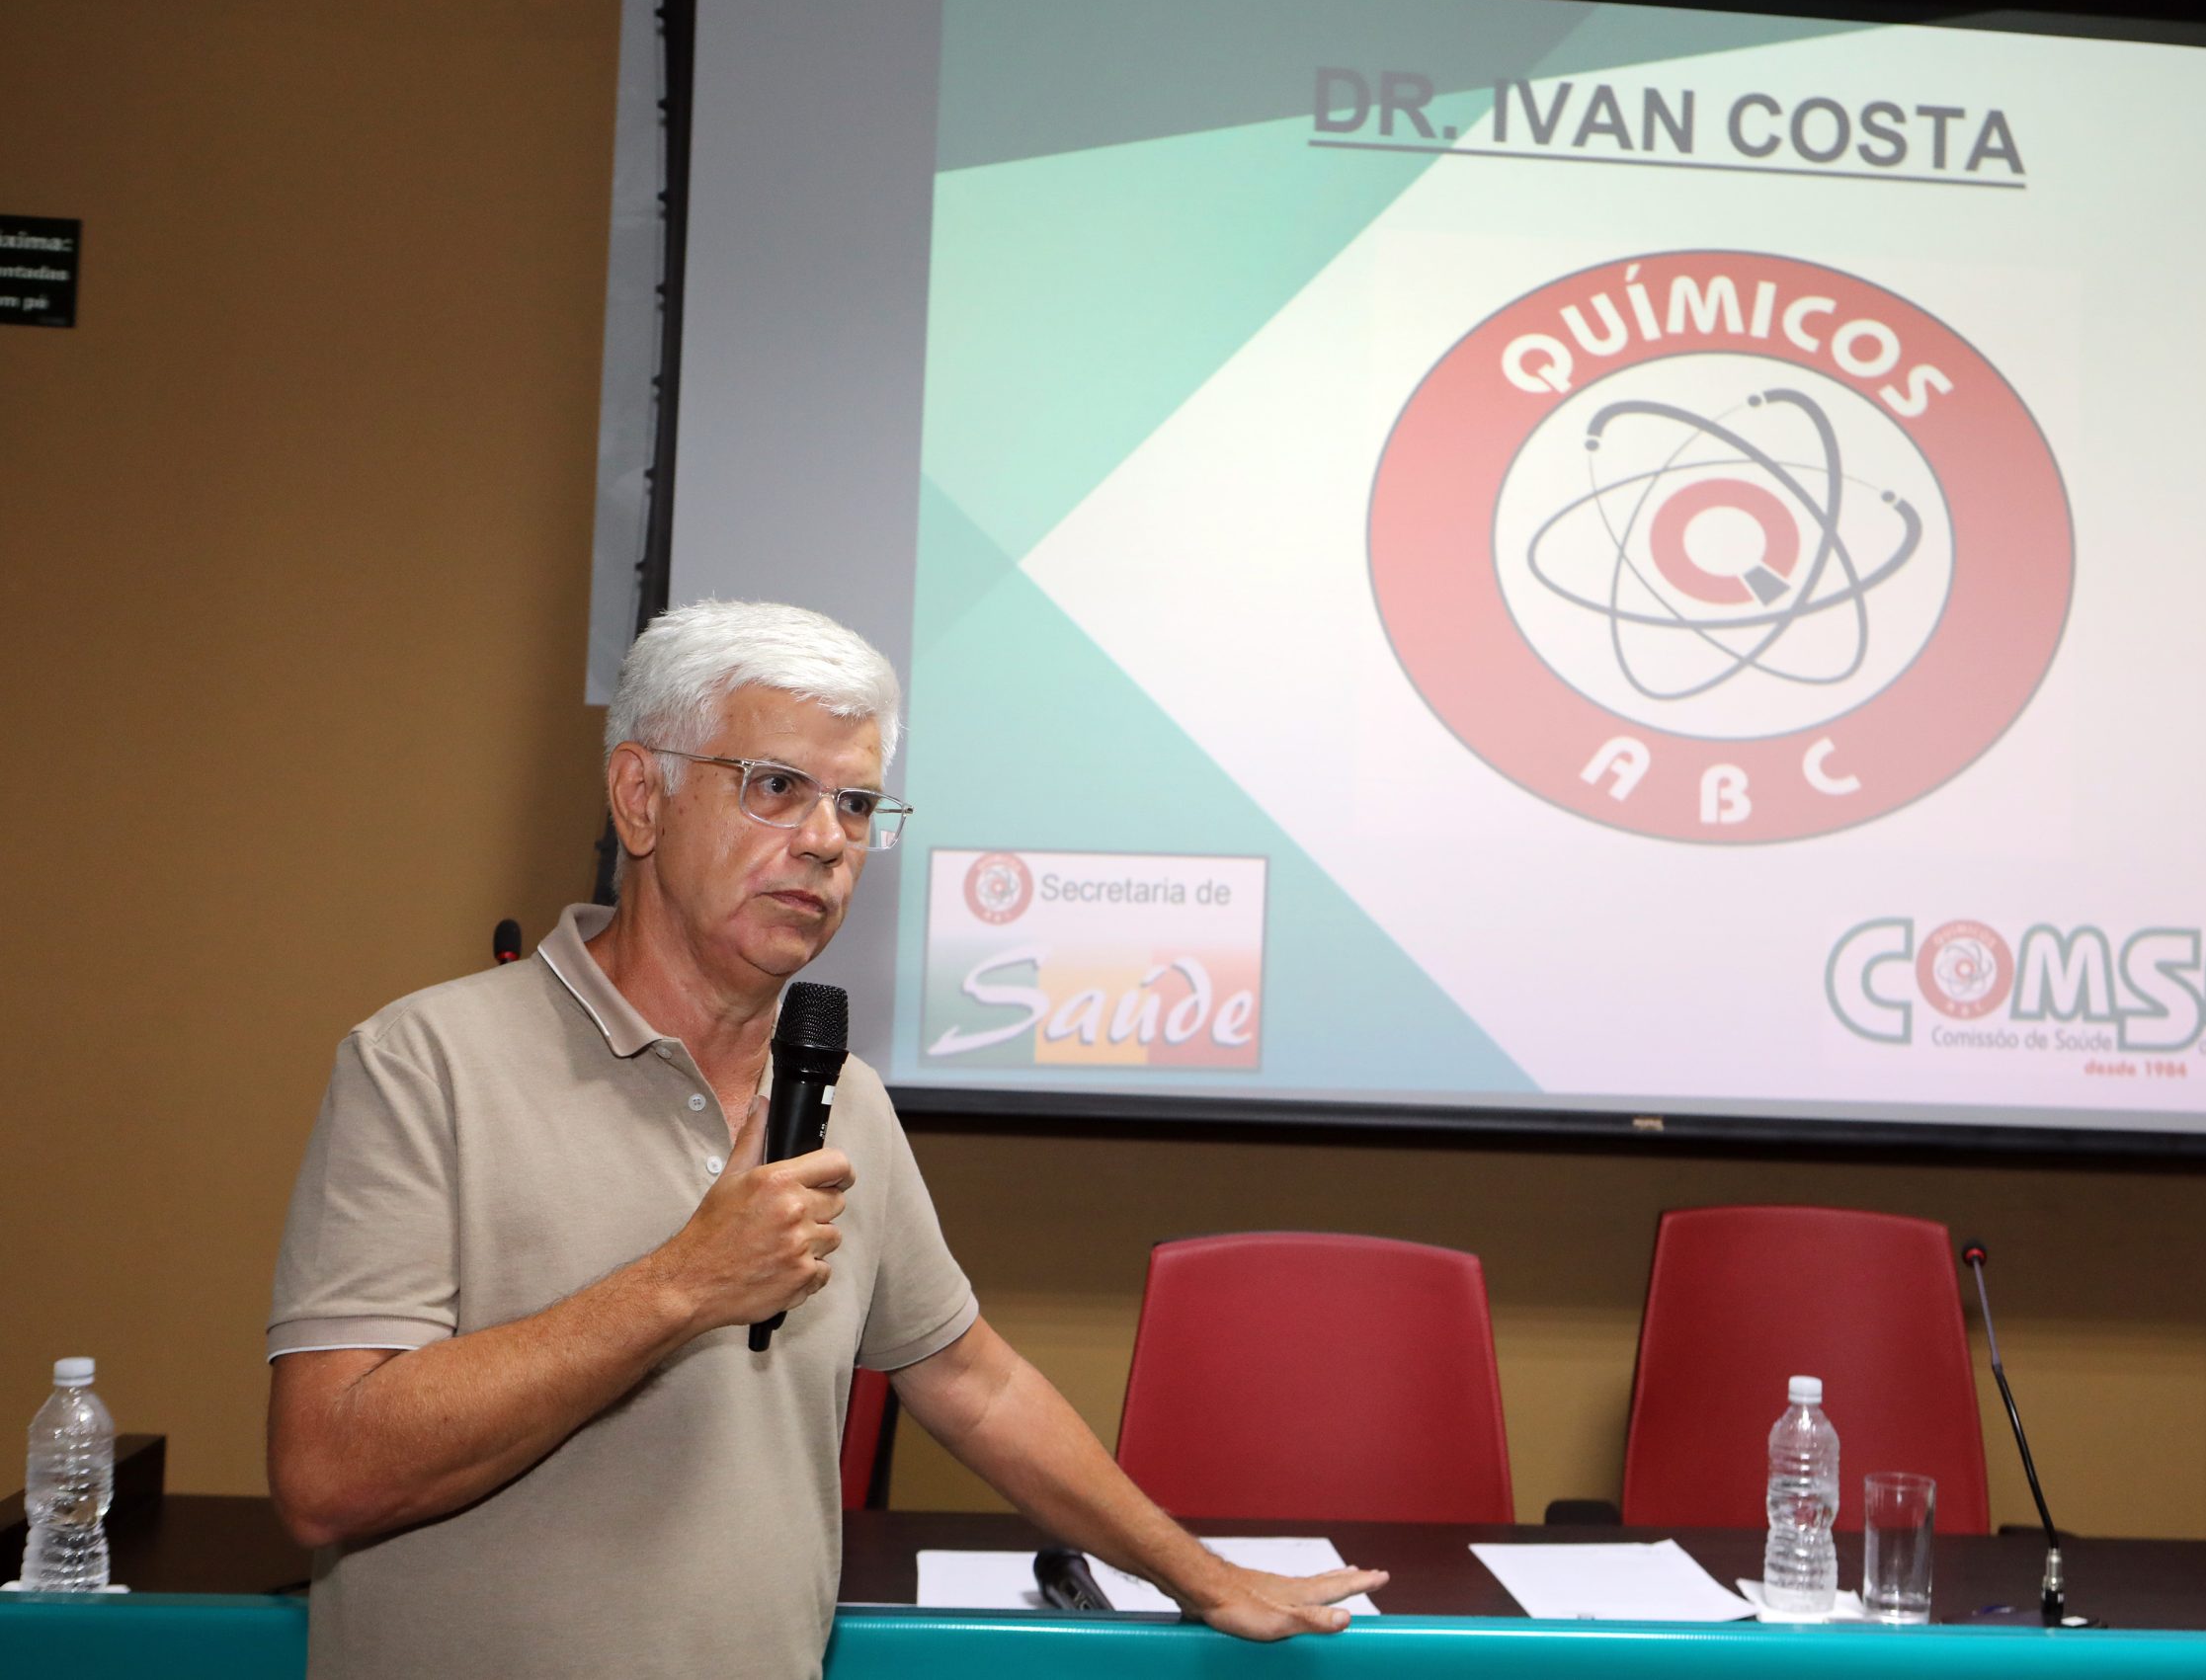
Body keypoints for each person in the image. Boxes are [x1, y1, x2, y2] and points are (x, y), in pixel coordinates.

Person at [266, 600, 1385, 1679]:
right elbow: (326, 1473)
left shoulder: (841, 1095)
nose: (825, 843)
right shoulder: (423, 1062)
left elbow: (969, 1381)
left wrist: (1197, 1576)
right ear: (639, 798)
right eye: (776, 789)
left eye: (857, 808)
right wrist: (679, 1286)